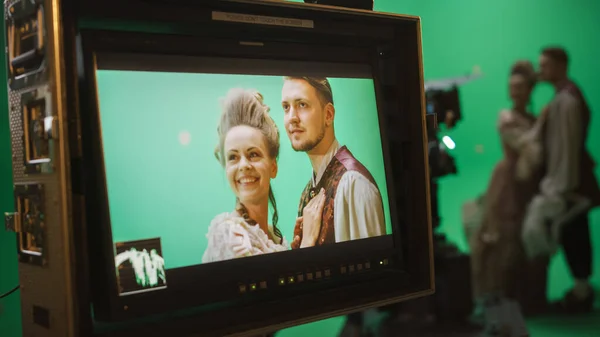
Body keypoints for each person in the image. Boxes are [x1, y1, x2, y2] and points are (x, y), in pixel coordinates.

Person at [280, 77, 386, 336]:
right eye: (286, 107)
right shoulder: (309, 190)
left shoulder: (353, 184)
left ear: (328, 114)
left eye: (302, 105)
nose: (292, 117)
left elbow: (373, 296)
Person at [470, 61, 549, 333]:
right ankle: (503, 296)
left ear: (529, 90)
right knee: (503, 235)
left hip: (530, 184)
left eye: (520, 87)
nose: (515, 92)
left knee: (527, 236)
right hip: (508, 183)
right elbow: (527, 146)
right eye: (511, 87)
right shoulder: (508, 118)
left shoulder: (533, 118)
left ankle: (528, 297)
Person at [202, 88, 324, 263]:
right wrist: (307, 243)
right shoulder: (229, 237)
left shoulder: (274, 238)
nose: (243, 165)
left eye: (253, 154)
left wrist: (296, 252)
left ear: (273, 167)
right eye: (233, 157)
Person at [522, 47, 600, 314]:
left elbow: (565, 149)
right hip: (567, 183)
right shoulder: (562, 98)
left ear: (560, 65)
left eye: (544, 65)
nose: (540, 69)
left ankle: (581, 292)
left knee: (574, 235)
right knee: (572, 235)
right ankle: (581, 290)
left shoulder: (566, 101)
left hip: (568, 185)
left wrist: (560, 187)